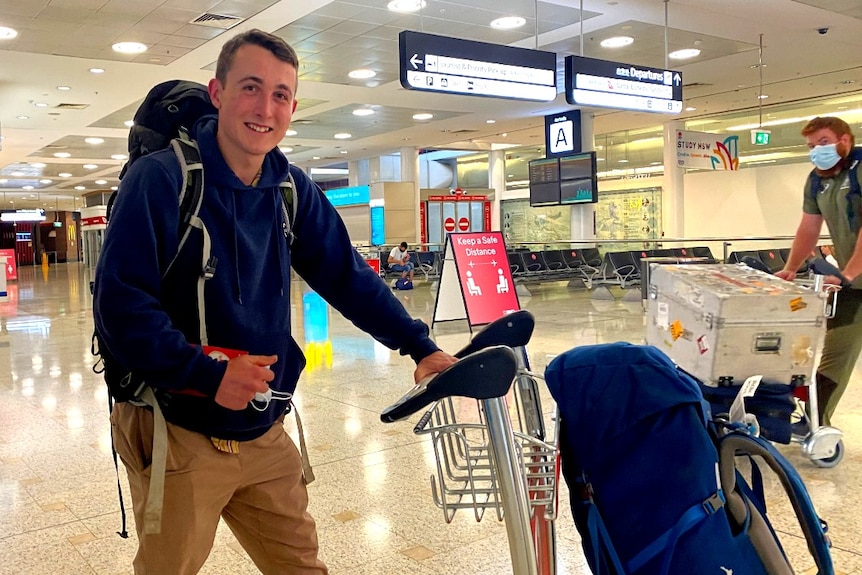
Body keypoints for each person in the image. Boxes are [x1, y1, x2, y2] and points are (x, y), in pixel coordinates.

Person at [93, 29, 456, 575]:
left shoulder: (290, 188)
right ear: (217, 93)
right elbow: (121, 308)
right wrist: (209, 373)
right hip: (178, 425)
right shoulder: (162, 179)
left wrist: (418, 346)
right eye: (251, 88)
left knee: (302, 567)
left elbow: (347, 274)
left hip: (262, 427)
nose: (266, 108)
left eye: (281, 94)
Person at [776, 116, 862, 427]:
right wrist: (790, 267)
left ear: (845, 141)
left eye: (823, 143)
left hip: (853, 277)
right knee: (836, 352)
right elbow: (809, 228)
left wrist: (849, 273)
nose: (816, 151)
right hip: (853, 285)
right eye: (811, 146)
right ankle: (814, 422)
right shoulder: (817, 180)